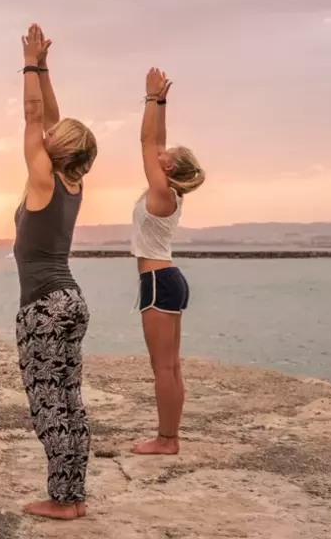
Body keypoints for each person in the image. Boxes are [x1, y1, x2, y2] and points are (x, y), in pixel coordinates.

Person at [14, 24, 97, 520]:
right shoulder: (70, 179)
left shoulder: (44, 178)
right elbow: (54, 120)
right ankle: (74, 495)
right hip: (70, 302)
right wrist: (45, 69)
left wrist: (27, 65)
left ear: (54, 148)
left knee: (49, 405)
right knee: (69, 400)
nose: (42, 134)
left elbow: (34, 116)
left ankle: (62, 502)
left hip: (44, 307)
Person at [131, 68, 206, 455]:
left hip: (158, 281)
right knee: (172, 366)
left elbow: (146, 140)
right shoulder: (169, 191)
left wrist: (147, 100)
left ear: (170, 168)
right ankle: (170, 438)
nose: (161, 153)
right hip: (170, 278)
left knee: (163, 367)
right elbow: (156, 138)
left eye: (167, 155)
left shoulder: (161, 193)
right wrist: (161, 102)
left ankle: (165, 440)